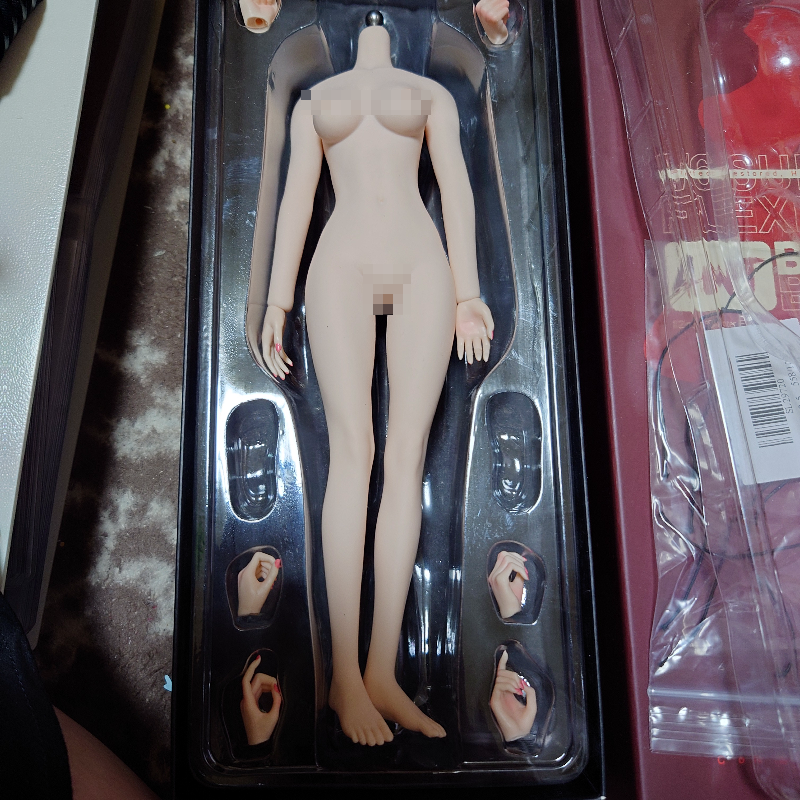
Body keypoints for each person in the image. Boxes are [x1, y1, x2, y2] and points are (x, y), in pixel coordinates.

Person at [247, 12, 494, 747]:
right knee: (354, 457)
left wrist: (468, 293)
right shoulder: (313, 103)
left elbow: (456, 188)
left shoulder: (431, 95)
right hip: (343, 262)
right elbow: (295, 200)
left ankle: (381, 669)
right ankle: (344, 678)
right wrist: (275, 303)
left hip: (421, 261)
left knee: (404, 459)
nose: (377, 22)